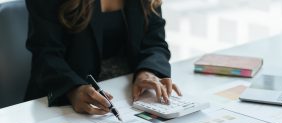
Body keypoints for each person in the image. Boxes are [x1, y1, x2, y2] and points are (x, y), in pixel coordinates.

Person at [25, 0, 182, 115]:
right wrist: (72, 89)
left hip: (128, 96)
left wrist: (148, 70)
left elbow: (155, 41)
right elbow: (45, 54)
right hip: (64, 99)